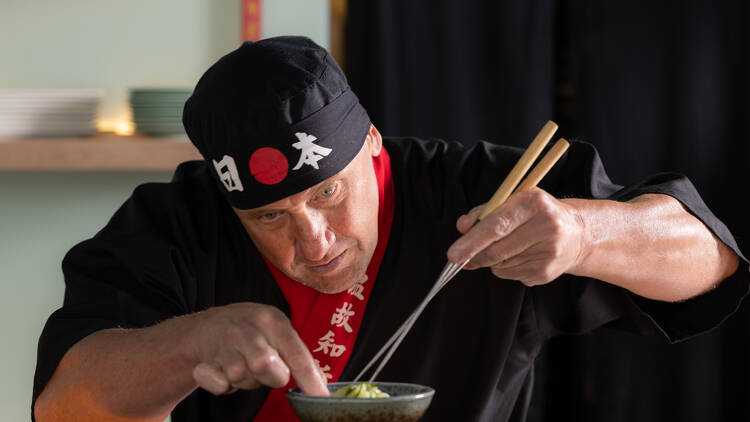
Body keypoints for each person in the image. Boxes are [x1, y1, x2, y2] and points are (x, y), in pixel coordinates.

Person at [32, 36, 747, 422]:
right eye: (269, 217)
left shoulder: (482, 195)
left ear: (372, 141)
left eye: (330, 193)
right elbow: (65, 406)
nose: (312, 240)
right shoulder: (174, 227)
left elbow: (711, 259)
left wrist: (587, 237)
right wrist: (184, 347)